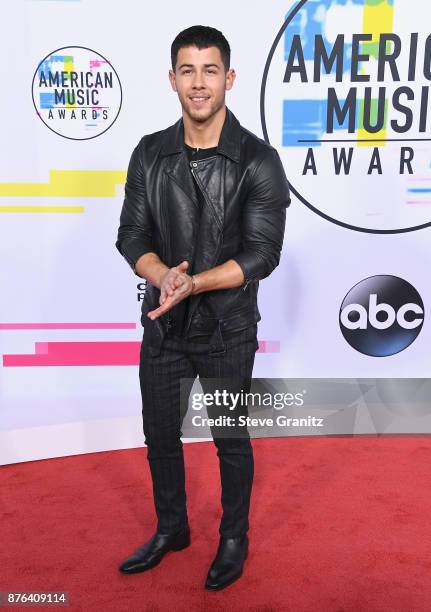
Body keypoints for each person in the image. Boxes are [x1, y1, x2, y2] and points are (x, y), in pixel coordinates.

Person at [115, 24, 290, 590]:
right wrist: (164, 275)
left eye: (209, 70)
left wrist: (197, 283)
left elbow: (263, 253)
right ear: (172, 79)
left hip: (228, 328)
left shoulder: (258, 160)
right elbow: (130, 236)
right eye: (187, 70)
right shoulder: (149, 152)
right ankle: (173, 528)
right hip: (163, 327)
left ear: (230, 78)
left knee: (230, 439)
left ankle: (234, 538)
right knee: (159, 435)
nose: (198, 83)